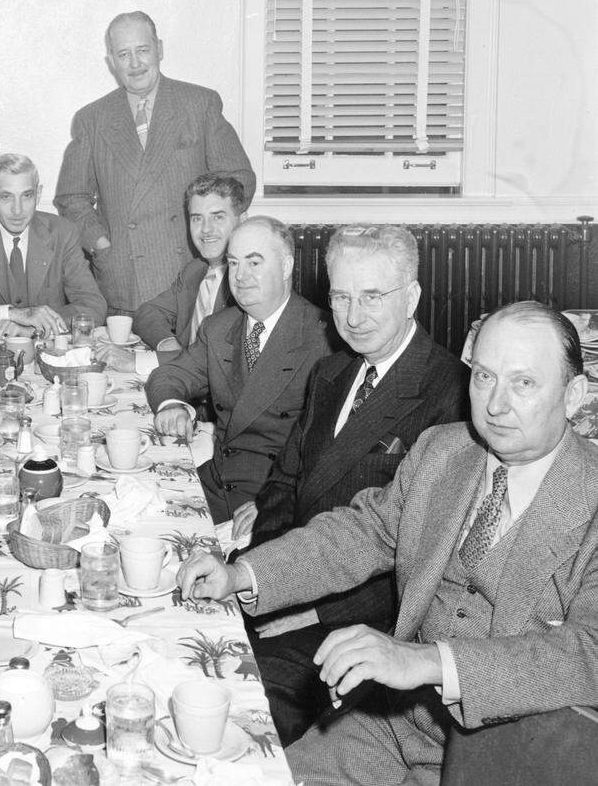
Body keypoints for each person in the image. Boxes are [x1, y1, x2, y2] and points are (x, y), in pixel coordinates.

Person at [178, 301, 598, 786]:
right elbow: (360, 533)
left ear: (573, 396)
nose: (496, 404)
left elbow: (588, 652)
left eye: (523, 383)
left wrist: (428, 660)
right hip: (395, 723)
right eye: (483, 377)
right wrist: (244, 573)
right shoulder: (443, 452)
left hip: (516, 758)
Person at [237, 224, 469, 745]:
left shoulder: (451, 395)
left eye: (372, 296)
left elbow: (427, 561)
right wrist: (254, 573)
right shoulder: (331, 372)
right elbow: (286, 482)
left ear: (412, 296)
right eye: (341, 297)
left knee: (242, 707)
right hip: (288, 579)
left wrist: (311, 610)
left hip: (362, 624)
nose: (354, 316)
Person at [54, 11, 255, 314]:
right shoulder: (92, 119)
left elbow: (240, 179)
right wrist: (101, 243)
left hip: (191, 269)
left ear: (159, 49)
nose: (135, 64)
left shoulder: (200, 105)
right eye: (124, 54)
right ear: (111, 62)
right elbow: (71, 198)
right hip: (123, 278)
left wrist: (211, 231)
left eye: (143, 50)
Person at [146, 217, 332, 522]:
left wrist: (279, 500)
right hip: (215, 485)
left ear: (286, 267)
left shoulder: (323, 338)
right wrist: (173, 405)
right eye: (233, 263)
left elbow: (330, 453)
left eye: (254, 263)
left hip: (272, 504)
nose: (241, 276)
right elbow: (169, 375)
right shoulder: (220, 327)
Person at [0, 153, 107, 338]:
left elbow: (93, 305)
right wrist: (12, 314)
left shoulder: (63, 233)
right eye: (6, 197)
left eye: (27, 196)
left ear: (38, 194)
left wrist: (35, 328)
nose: (17, 210)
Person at [96, 172, 248, 374]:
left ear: (242, 220)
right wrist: (167, 342)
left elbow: (218, 359)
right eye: (197, 219)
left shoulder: (246, 280)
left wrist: (138, 361)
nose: (205, 230)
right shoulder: (195, 270)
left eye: (218, 217)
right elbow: (147, 313)